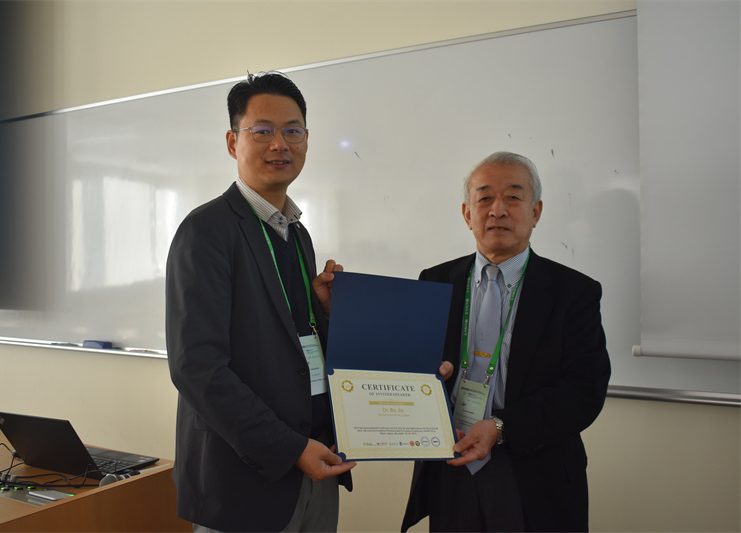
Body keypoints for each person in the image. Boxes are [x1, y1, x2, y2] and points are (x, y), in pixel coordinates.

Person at [166, 71, 355, 533]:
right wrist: (289, 448)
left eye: (293, 131)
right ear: (233, 142)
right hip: (244, 479)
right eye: (263, 131)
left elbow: (286, 342)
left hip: (316, 462)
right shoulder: (207, 231)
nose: (280, 145)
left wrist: (320, 311)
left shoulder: (296, 233)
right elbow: (197, 367)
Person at [402, 151, 611, 532]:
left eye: (513, 197)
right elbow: (413, 366)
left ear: (536, 211)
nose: (497, 210)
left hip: (533, 469)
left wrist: (500, 428)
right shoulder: (435, 281)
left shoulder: (573, 292)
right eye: (484, 198)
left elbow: (584, 391)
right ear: (467, 214)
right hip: (452, 464)